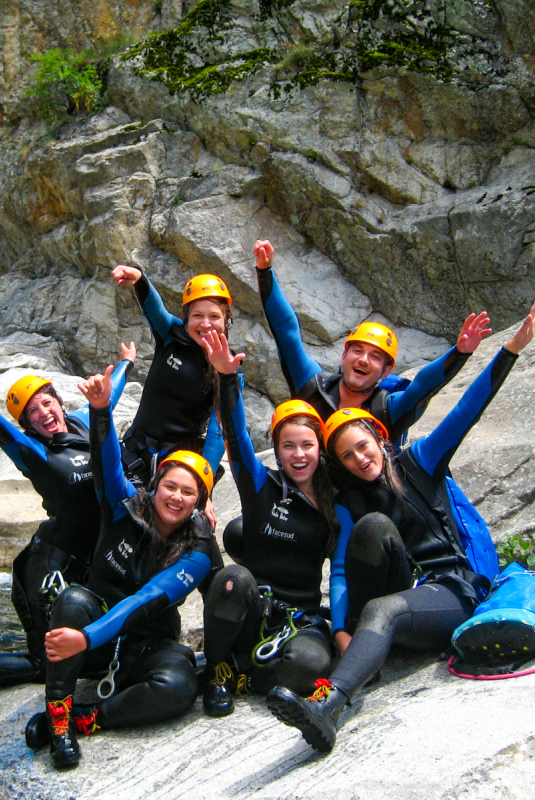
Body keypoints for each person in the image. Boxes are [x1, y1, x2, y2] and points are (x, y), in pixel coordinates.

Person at [265, 301, 535, 753]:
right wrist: (337, 629)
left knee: (383, 610)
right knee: (378, 586)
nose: (360, 459)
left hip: (455, 588)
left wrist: (511, 347)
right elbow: (345, 567)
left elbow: (468, 409)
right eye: (347, 456)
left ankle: (329, 706)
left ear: (380, 437)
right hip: (413, 594)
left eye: (363, 447)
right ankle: (346, 674)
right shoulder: (351, 500)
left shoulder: (420, 462)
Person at [0, 346, 135, 729]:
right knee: (44, 660)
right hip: (46, 567)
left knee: (90, 654)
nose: (44, 414)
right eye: (33, 412)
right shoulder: (33, 451)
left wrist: (127, 363)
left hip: (84, 563)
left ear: (60, 403)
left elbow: (109, 394)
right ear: (28, 425)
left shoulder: (84, 423)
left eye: (47, 403)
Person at [25, 364, 223, 769]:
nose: (176, 498)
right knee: (73, 600)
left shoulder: (199, 550)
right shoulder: (124, 507)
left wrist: (86, 638)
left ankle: (87, 718)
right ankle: (59, 721)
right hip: (95, 637)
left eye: (189, 493)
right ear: (155, 487)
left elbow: (148, 599)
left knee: (180, 685)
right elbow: (108, 463)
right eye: (170, 486)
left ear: (199, 501)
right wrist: (100, 411)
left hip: (143, 644)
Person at [199, 330, 339, 717]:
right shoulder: (262, 484)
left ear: (320, 448)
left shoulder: (334, 499)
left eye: (307, 445)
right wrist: (227, 379)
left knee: (310, 666)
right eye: (288, 446)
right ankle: (216, 672)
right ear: (276, 449)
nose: (298, 455)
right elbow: (237, 435)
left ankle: (245, 677)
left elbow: (342, 571)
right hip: (253, 609)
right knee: (232, 579)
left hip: (301, 619)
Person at [253, 239, 492, 445]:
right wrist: (265, 271)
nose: (363, 360)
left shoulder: (388, 409)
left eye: (375, 357)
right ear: (343, 356)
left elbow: (422, 386)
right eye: (357, 350)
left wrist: (459, 353)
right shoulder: (314, 387)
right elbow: (287, 334)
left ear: (386, 371)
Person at [111, 265, 240, 488]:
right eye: (197, 315)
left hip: (178, 463)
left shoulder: (229, 368)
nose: (205, 324)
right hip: (136, 449)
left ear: (226, 320)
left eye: (214, 316)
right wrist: (141, 279)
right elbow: (154, 308)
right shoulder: (171, 334)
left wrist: (203, 482)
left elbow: (218, 431)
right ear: (186, 317)